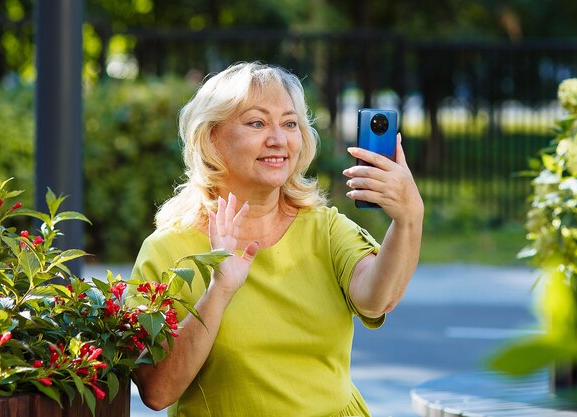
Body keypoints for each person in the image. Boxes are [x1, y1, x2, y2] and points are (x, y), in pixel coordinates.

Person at [130, 61, 424, 417]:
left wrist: (409, 218)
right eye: (257, 123)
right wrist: (219, 290)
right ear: (210, 137)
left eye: (290, 124)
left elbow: (376, 299)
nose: (278, 139)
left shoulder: (325, 228)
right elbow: (157, 391)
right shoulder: (167, 251)